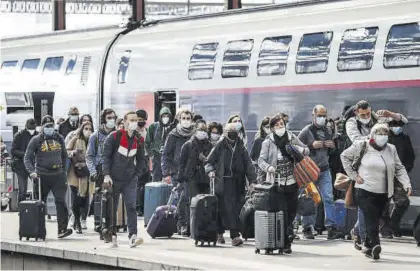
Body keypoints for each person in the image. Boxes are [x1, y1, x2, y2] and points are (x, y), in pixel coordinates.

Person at [341, 123, 411, 260]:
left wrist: (406, 183)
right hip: (364, 190)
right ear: (373, 135)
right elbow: (344, 156)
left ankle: (367, 245)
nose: (383, 137)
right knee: (371, 217)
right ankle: (375, 245)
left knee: (375, 218)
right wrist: (354, 176)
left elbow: (399, 168)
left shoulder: (391, 149)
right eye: (380, 134)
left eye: (385, 134)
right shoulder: (362, 145)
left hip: (383, 192)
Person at [258, 115, 310, 253]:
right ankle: (283, 242)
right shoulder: (268, 142)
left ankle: (287, 240)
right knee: (280, 212)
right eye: (277, 125)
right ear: (272, 128)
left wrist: (299, 150)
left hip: (292, 181)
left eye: (282, 124)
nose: (281, 127)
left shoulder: (291, 137)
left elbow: (306, 150)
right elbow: (261, 161)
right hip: (276, 183)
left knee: (291, 212)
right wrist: (269, 168)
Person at [205, 122, 257, 246]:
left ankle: (234, 235)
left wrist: (252, 181)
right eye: (230, 131)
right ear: (225, 132)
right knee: (221, 209)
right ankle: (221, 234)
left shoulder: (241, 147)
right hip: (222, 182)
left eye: (235, 131)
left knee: (235, 209)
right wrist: (211, 171)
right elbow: (208, 162)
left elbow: (248, 165)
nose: (233, 134)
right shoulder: (220, 145)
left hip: (237, 182)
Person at [102, 111, 146, 248]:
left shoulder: (139, 139)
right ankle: (112, 235)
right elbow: (105, 157)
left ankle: (132, 236)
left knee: (131, 207)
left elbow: (141, 159)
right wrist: (107, 175)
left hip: (129, 179)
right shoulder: (114, 137)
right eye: (131, 120)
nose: (134, 122)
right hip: (113, 179)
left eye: (136, 120)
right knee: (112, 208)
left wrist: (137, 174)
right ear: (125, 122)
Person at [24, 115, 73, 239]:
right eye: (47, 126)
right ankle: (39, 231)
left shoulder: (59, 138)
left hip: (58, 175)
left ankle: (62, 229)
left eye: (51, 126)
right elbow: (27, 157)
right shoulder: (36, 140)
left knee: (61, 202)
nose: (49, 128)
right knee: (40, 204)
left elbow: (65, 156)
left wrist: (64, 171)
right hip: (41, 176)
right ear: (42, 127)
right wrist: (31, 172)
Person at [298, 105, 341, 240]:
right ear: (313, 116)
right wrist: (311, 146)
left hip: (324, 169)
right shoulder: (306, 131)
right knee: (310, 199)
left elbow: (333, 151)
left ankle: (331, 227)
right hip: (309, 172)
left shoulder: (328, 130)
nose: (322, 118)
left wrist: (332, 146)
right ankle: (307, 227)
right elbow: (295, 147)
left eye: (324, 115)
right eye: (319, 115)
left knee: (328, 197)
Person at [161, 108, 195, 235]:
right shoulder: (173, 135)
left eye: (188, 118)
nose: (186, 121)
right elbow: (166, 154)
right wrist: (166, 172)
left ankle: (191, 224)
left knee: (192, 198)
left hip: (193, 172)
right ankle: (182, 224)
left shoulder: (195, 134)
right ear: (179, 119)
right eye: (183, 118)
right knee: (183, 197)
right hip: (177, 172)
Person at [177, 122, 213, 235]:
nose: (202, 132)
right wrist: (180, 180)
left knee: (205, 202)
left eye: (204, 130)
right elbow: (182, 164)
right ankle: (189, 226)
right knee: (192, 202)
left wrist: (205, 160)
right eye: (200, 130)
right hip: (191, 176)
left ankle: (202, 227)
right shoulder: (188, 145)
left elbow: (213, 161)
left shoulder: (210, 146)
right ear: (195, 131)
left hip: (205, 177)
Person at [381, 121, 415, 237]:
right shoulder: (383, 138)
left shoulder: (404, 138)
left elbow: (410, 155)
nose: (396, 128)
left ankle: (393, 223)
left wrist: (406, 169)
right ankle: (385, 228)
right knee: (383, 202)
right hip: (384, 175)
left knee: (403, 201)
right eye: (393, 125)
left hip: (399, 175)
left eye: (398, 125)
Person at [86, 108, 116, 232]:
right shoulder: (95, 136)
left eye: (113, 117)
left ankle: (111, 223)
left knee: (113, 197)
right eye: (109, 118)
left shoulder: (118, 134)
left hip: (115, 168)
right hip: (100, 169)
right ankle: (99, 223)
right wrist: (93, 171)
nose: (112, 120)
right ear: (103, 119)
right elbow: (89, 156)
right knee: (100, 197)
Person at [66, 121, 94, 234]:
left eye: (90, 129)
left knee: (85, 198)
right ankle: (77, 221)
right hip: (75, 173)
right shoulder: (75, 139)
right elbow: (67, 151)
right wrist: (73, 153)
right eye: (86, 128)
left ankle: (83, 219)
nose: (88, 131)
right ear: (82, 129)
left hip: (87, 173)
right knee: (76, 199)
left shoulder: (93, 140)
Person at [11, 118, 38, 203]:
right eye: (30, 128)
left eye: (33, 128)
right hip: (21, 165)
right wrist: (26, 154)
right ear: (26, 126)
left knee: (37, 187)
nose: (32, 130)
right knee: (22, 189)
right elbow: (13, 150)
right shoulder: (19, 135)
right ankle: (22, 210)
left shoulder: (38, 135)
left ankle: (37, 208)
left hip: (34, 165)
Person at [145, 107, 173, 182]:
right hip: (157, 156)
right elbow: (147, 142)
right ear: (160, 117)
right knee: (156, 178)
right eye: (164, 116)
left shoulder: (172, 128)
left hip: (168, 157)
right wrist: (151, 154)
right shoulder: (153, 126)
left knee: (168, 178)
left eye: (167, 116)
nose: (165, 118)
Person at [135, 109, 150, 216]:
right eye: (139, 119)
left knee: (144, 185)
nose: (141, 121)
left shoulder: (147, 131)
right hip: (134, 160)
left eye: (143, 119)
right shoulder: (133, 132)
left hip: (146, 160)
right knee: (137, 185)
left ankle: (143, 207)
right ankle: (137, 207)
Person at [250, 116, 270, 183]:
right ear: (263, 127)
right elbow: (253, 157)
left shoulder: (277, 140)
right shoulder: (258, 141)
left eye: (271, 126)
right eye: (267, 127)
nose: (269, 129)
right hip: (262, 171)